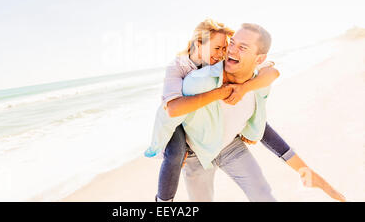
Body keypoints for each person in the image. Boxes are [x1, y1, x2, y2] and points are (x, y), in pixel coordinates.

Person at [145, 20, 345, 202]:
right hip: (194, 149)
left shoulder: (256, 79)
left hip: (229, 144)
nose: (227, 51)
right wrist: (220, 93)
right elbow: (171, 111)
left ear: (258, 58)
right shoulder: (190, 78)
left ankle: (305, 172)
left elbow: (271, 77)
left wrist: (245, 88)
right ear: (198, 45)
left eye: (235, 46)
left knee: (262, 188)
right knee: (187, 175)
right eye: (229, 45)